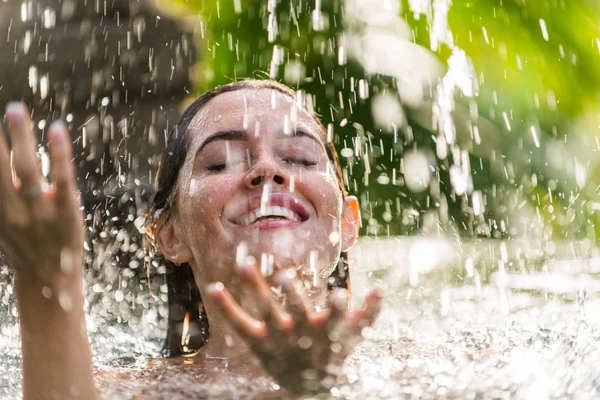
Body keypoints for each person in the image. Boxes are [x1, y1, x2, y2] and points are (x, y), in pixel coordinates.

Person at [0, 79, 384, 399]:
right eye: (220, 162)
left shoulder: (421, 374)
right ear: (168, 234)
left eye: (300, 157)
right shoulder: (116, 391)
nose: (267, 170)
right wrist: (45, 282)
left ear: (347, 223)